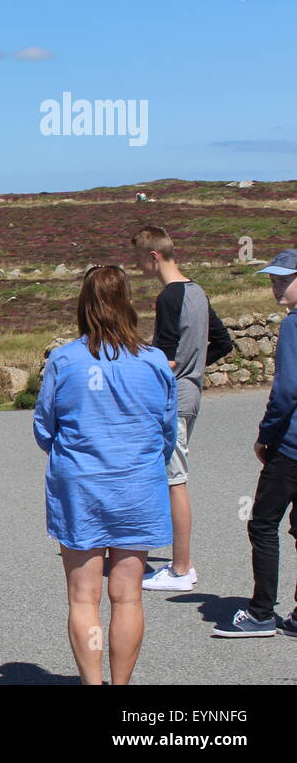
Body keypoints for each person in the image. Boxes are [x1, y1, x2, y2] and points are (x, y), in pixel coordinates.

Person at [33, 266, 176, 684]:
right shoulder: (153, 362)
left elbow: (45, 428)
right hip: (137, 483)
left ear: (84, 304)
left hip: (81, 484)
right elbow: (167, 431)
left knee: (84, 597)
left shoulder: (64, 359)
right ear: (128, 302)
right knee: (128, 596)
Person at [131, 226, 234, 592]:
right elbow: (223, 343)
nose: (139, 268)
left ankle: (180, 567)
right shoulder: (198, 292)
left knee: (175, 480)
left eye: (140, 261)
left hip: (172, 397)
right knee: (171, 477)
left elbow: (166, 356)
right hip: (192, 393)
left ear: (154, 257)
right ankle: (175, 562)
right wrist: (196, 366)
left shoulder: (169, 297)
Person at [214, 249, 297, 638]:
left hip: (291, 446)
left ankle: (262, 612)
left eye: (284, 279)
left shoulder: (294, 326)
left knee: (264, 523)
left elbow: (285, 392)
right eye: (272, 279)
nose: (276, 285)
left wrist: (266, 436)